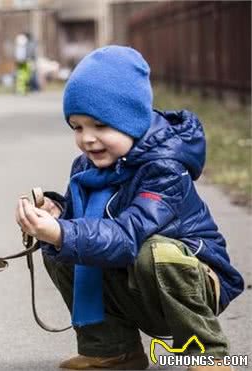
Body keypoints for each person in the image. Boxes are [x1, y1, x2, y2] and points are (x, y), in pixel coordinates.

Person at [15, 46, 243, 371]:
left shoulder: (165, 168)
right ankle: (112, 349)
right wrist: (56, 216)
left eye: (99, 125)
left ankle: (209, 356)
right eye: (77, 127)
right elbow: (88, 228)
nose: (87, 139)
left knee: (155, 251)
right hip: (136, 279)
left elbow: (126, 235)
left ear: (132, 121)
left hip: (192, 282)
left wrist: (65, 231)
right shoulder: (85, 166)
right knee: (60, 246)